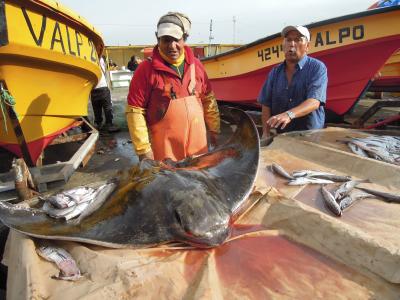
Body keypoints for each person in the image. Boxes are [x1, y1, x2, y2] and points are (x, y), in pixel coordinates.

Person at [126, 12, 220, 161]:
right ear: (157, 38)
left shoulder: (197, 65)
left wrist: (214, 129)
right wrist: (143, 149)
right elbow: (135, 112)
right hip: (165, 151)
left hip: (198, 145)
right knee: (169, 182)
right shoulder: (145, 70)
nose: (172, 46)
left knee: (199, 179)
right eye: (166, 40)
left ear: (184, 38)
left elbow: (208, 99)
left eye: (176, 39)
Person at [258, 25, 328, 139]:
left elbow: (314, 101)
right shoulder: (275, 72)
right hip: (283, 136)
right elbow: (266, 104)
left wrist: (289, 114)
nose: (292, 44)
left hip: (309, 136)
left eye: (298, 39)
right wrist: (265, 133)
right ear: (283, 46)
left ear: (307, 46)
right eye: (288, 40)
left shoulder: (317, 68)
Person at [90, 56, 120, 133]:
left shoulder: (89, 59)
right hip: (102, 87)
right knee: (107, 107)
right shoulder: (99, 59)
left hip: (93, 88)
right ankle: (109, 124)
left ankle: (99, 124)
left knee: (96, 108)